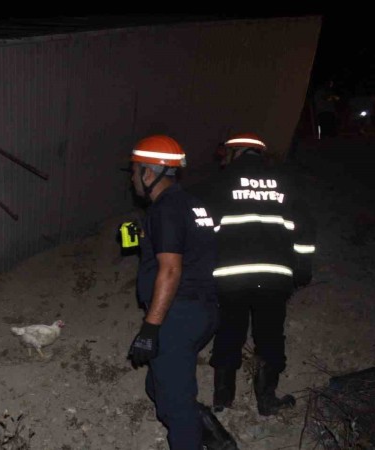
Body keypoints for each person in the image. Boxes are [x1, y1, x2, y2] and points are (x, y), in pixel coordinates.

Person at [126, 135, 237, 449]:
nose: (132, 179)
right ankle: (209, 430)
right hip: (204, 309)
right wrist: (147, 238)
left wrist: (150, 328)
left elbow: (171, 270)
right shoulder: (193, 204)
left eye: (134, 172)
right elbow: (195, 249)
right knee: (158, 386)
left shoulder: (166, 209)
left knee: (176, 406)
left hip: (178, 314)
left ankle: (200, 433)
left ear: (149, 173)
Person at [204, 133, 316, 416]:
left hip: (231, 275)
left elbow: (205, 226)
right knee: (270, 335)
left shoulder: (221, 182)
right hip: (273, 276)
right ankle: (267, 399)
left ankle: (222, 398)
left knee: (229, 331)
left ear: (236, 152)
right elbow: (304, 226)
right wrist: (302, 266)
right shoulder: (284, 181)